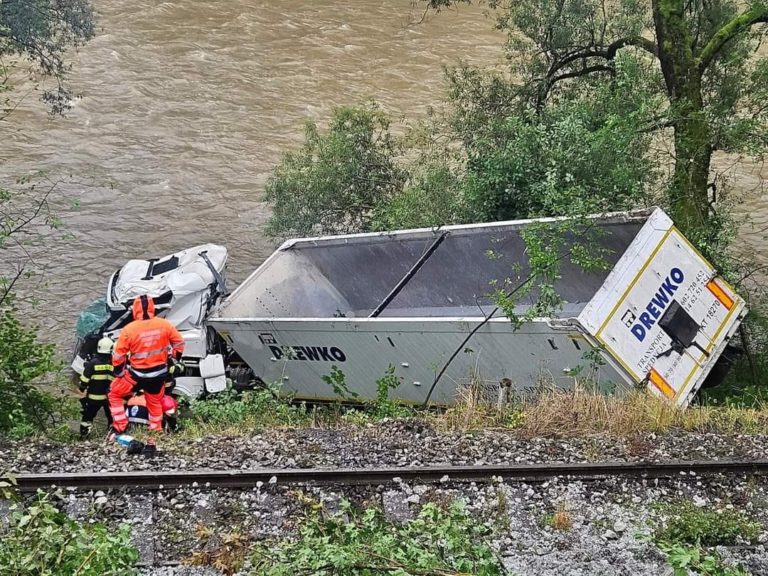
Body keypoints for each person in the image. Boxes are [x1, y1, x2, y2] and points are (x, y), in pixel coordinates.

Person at [108, 295, 184, 433]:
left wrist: (119, 372)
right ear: (152, 308)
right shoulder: (165, 324)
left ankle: (120, 426)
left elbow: (118, 354)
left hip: (136, 375)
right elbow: (179, 343)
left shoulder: (129, 329)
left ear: (135, 310)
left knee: (114, 393)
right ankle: (156, 430)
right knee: (154, 403)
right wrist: (173, 359)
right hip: (159, 375)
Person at [78, 336, 115, 438]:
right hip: (108, 399)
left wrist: (82, 388)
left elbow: (84, 380)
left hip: (93, 398)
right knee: (112, 417)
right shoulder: (113, 363)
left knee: (87, 418)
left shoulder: (92, 363)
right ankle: (111, 435)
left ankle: (84, 435)